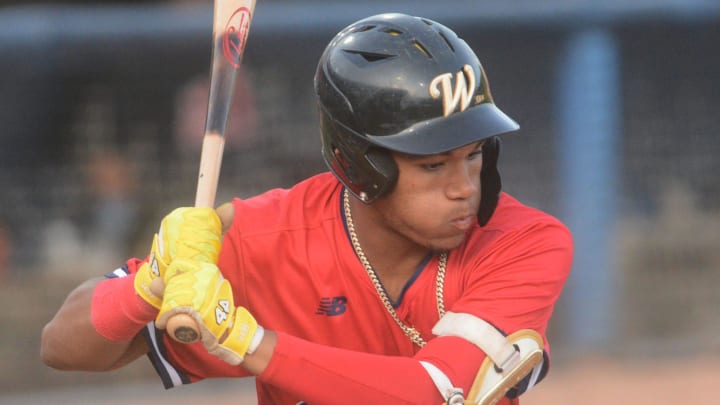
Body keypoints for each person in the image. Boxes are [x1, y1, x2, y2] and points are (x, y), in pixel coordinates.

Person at [41, 13, 573, 405]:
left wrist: (246, 341)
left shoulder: (525, 242)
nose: (465, 188)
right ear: (358, 164)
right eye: (433, 166)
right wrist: (151, 281)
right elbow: (62, 347)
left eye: (474, 155)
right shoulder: (267, 240)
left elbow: (435, 391)